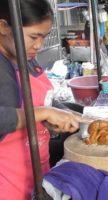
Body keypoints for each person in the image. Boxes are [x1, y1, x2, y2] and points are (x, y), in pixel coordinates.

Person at [0, 0, 87, 199]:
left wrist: (67, 113)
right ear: (3, 27)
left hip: (38, 176)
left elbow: (43, 101)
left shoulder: (27, 60)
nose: (39, 45)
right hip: (7, 187)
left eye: (44, 37)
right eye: (33, 37)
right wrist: (44, 113)